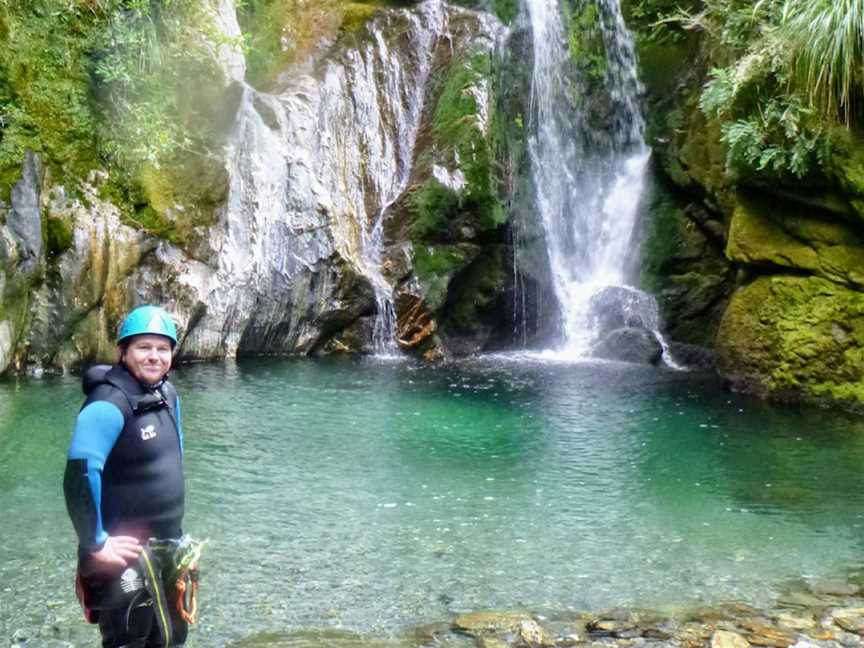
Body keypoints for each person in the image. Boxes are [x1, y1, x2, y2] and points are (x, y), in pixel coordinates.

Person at [63, 305, 196, 648]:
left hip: (167, 543)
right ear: (123, 352)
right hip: (123, 553)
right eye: (144, 347)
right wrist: (96, 543)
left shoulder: (167, 394)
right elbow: (79, 474)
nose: (154, 357)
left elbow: (174, 455)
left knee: (170, 634)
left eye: (162, 348)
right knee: (129, 637)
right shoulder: (108, 403)